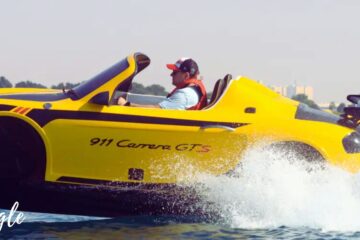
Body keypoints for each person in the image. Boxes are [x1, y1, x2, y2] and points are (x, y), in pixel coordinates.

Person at [117, 58, 207, 110]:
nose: (171, 74)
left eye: (175, 72)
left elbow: (157, 110)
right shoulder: (192, 89)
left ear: (186, 76)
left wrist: (126, 105)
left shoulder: (185, 95)